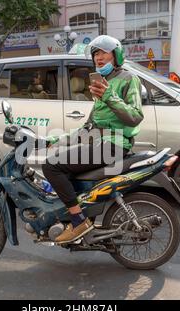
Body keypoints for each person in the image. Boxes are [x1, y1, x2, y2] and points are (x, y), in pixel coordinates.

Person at [41, 35, 144, 244]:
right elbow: (87, 128)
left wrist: (108, 96)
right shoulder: (101, 84)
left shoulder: (127, 79)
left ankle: (78, 220)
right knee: (61, 161)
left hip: (113, 145)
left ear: (116, 55)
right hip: (99, 143)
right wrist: (55, 140)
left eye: (103, 52)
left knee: (51, 166)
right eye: (95, 53)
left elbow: (135, 117)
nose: (98, 57)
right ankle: (80, 220)